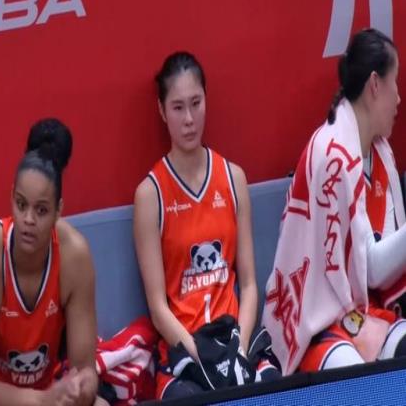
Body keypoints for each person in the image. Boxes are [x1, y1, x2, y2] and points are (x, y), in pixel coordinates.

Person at [263, 28, 406, 375]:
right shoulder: (331, 155)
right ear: (375, 85)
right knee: (355, 380)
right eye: (395, 84)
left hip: (363, 310)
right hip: (316, 320)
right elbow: (373, 267)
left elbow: (380, 273)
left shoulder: (380, 153)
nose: (400, 98)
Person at [0, 119, 99, 405]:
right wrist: (41, 401)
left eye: (41, 210)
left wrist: (83, 386)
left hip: (46, 393)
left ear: (58, 211)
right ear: (11, 198)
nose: (28, 219)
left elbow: (85, 368)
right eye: (21, 204)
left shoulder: (75, 256)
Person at [133, 52, 259, 399]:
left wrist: (240, 351)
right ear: (162, 111)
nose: (189, 119)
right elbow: (158, 308)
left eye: (196, 103)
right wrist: (202, 359)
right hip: (184, 354)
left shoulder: (234, 178)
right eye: (177, 107)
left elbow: (249, 284)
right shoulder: (150, 195)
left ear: (206, 101)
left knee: (275, 387)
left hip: (233, 340)